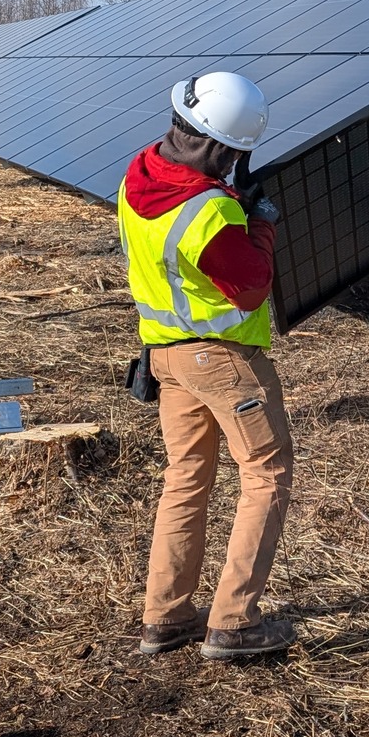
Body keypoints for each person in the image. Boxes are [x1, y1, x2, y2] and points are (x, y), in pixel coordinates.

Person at [119, 70, 296, 662]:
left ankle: (165, 617)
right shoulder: (210, 212)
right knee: (267, 474)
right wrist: (260, 223)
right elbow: (251, 287)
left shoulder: (138, 173)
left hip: (165, 356)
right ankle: (234, 624)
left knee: (186, 478)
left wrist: (231, 202)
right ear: (223, 148)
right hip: (221, 360)